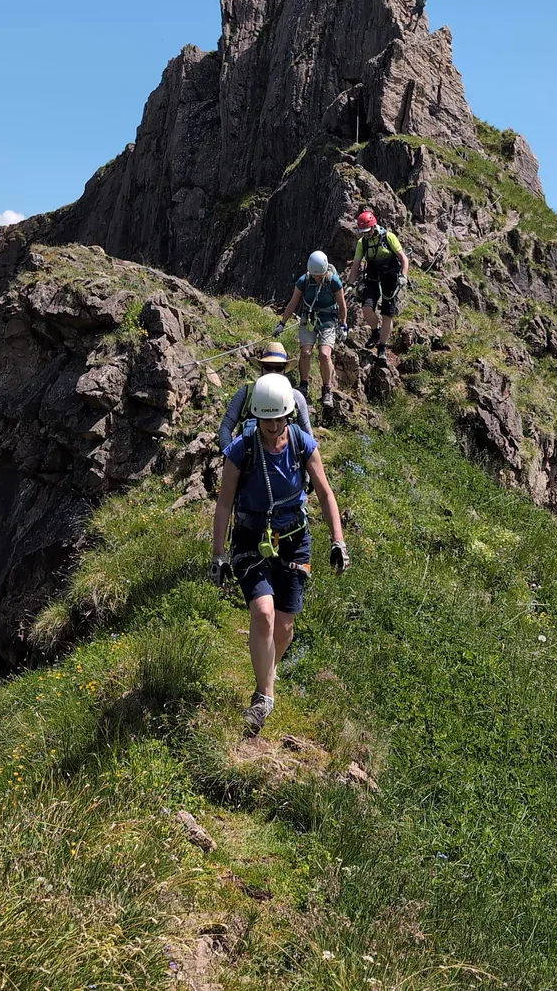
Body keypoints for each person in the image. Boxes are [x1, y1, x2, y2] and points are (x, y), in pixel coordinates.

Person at [212, 373, 349, 736]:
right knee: (264, 612)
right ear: (256, 416)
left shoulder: (302, 443)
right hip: (251, 538)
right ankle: (265, 699)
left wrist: (338, 541)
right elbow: (224, 503)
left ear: (289, 414)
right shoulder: (242, 448)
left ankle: (264, 679)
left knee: (285, 627)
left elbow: (325, 492)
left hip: (293, 540)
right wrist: (218, 555)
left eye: (278, 420)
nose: (272, 428)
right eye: (265, 420)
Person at [275, 251, 348, 406]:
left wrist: (343, 324)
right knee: (305, 352)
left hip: (328, 320)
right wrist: (282, 323)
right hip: (309, 318)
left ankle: (327, 389)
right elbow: (293, 302)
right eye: (315, 275)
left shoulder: (333, 281)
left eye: (319, 275)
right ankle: (304, 385)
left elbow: (342, 305)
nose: (317, 278)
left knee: (324, 355)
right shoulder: (304, 281)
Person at [217, 340, 313, 450]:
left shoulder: (296, 397)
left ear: (284, 370)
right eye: (268, 367)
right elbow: (226, 427)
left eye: (278, 368)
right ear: (262, 368)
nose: (273, 371)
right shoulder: (246, 393)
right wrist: (230, 455)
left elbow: (307, 433)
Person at [348, 209, 410, 361]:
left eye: (367, 231)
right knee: (367, 308)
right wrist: (350, 284)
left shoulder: (388, 237)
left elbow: (404, 259)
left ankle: (382, 347)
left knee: (387, 314)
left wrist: (404, 276)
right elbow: (356, 264)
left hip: (390, 278)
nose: (365, 234)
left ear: (374, 226)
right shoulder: (362, 243)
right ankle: (375, 332)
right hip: (373, 278)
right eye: (363, 232)